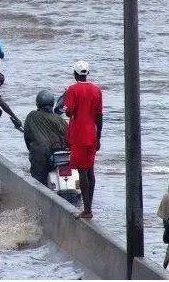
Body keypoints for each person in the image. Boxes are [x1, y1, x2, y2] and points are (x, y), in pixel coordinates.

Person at [64, 60, 103, 219]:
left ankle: (87, 210)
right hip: (92, 134)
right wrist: (99, 137)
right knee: (90, 170)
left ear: (75, 74)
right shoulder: (97, 90)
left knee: (82, 171)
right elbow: (99, 117)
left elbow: (68, 112)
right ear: (87, 74)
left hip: (79, 135)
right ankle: (89, 207)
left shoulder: (72, 90)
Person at [23, 90, 67, 186]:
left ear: (38, 103)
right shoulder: (60, 119)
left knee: (38, 183)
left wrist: (31, 150)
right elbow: (67, 137)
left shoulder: (32, 116)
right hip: (60, 156)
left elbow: (27, 137)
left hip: (40, 155)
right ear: (52, 103)